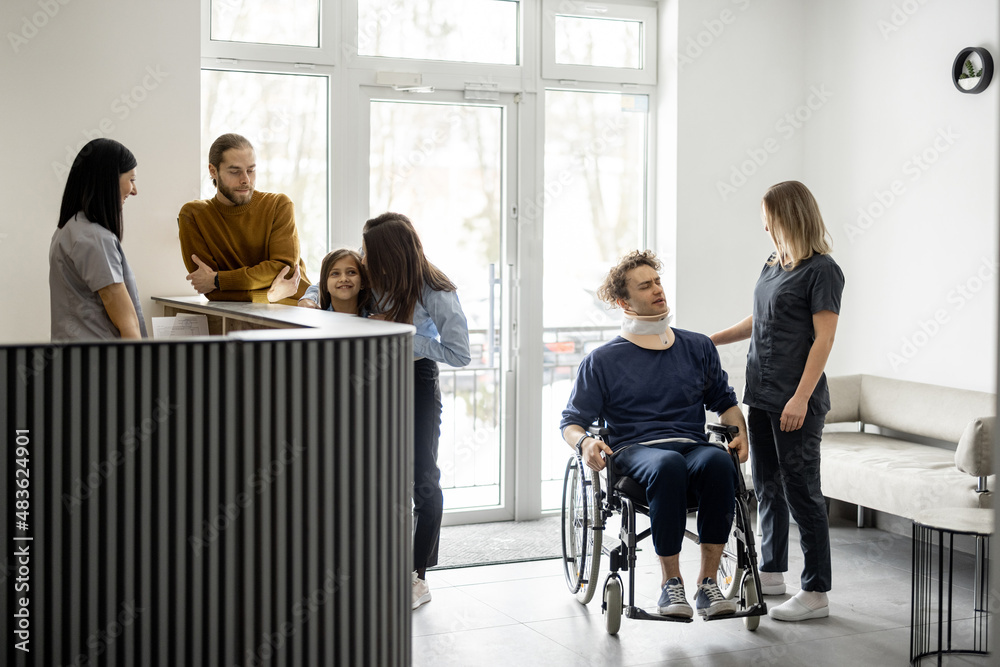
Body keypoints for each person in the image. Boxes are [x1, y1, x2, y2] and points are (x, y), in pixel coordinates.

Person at [560, 250, 749, 620]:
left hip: (691, 446)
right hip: (636, 450)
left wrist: (739, 432)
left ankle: (708, 584)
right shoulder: (602, 361)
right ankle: (670, 584)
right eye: (644, 286)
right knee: (667, 465)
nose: (657, 290)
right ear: (622, 301)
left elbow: (725, 404)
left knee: (716, 460)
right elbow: (571, 422)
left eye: (658, 281)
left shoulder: (698, 347)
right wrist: (585, 443)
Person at [710, 180, 844, 622]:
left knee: (802, 490)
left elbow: (823, 340)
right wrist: (710, 339)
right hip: (762, 394)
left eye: (770, 220)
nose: (765, 229)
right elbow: (760, 317)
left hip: (795, 400)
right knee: (765, 486)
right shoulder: (773, 262)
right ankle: (771, 570)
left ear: (790, 217)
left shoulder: (822, 270)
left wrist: (801, 398)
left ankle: (816, 591)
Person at [354, 212, 471, 610]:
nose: (362, 258)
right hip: (369, 382)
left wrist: (407, 336)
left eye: (369, 251)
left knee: (423, 478)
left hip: (416, 381)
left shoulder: (435, 289)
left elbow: (460, 354)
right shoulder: (368, 273)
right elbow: (332, 282)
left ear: (390, 254)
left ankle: (416, 575)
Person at [177, 133, 310, 305]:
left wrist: (218, 279)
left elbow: (283, 269)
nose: (245, 180)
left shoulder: (278, 205)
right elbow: (210, 291)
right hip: (236, 316)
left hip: (297, 309)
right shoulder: (193, 215)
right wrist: (268, 296)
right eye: (235, 171)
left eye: (251, 170)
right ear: (213, 171)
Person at [49, 138, 146, 341]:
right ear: (109, 180)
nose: (134, 190)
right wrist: (143, 369)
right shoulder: (95, 238)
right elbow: (127, 324)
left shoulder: (69, 229)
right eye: (131, 179)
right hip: (101, 363)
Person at [297, 248, 373, 316]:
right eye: (335, 273)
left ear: (363, 282)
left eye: (351, 272)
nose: (343, 279)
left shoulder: (375, 321)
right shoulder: (315, 319)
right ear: (325, 284)